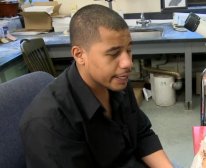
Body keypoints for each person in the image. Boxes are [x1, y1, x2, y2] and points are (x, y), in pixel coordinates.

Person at [20, 4, 173, 168]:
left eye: (128, 50)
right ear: (79, 55)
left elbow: (142, 134)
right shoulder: (49, 124)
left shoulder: (117, 83)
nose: (128, 63)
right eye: (113, 53)